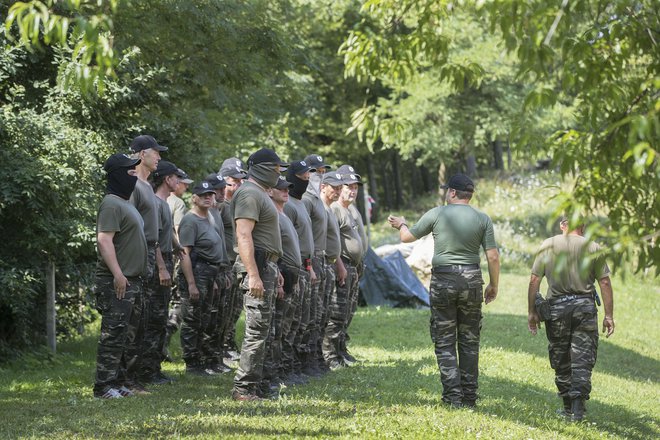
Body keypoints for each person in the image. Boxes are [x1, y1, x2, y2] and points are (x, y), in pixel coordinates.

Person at [388, 173, 499, 408]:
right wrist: (493, 285)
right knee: (469, 340)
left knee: (444, 340)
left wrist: (402, 224)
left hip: (444, 280)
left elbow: (407, 237)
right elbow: (493, 256)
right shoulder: (482, 219)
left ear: (452, 192)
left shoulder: (437, 213)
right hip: (471, 280)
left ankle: (452, 397)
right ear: (469, 195)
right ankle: (469, 397)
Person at [528, 217, 615, 421]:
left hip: (557, 309)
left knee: (561, 358)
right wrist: (609, 316)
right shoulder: (594, 247)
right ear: (583, 226)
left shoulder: (548, 245)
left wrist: (532, 311)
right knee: (582, 360)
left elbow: (534, 280)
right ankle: (577, 410)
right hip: (585, 308)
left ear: (562, 225)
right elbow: (605, 283)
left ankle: (568, 408)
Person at [231, 148, 287, 401]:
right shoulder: (249, 193)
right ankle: (244, 389)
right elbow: (243, 235)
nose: (278, 175)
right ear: (262, 168)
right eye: (276, 169)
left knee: (263, 330)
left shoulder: (259, 193)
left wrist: (273, 269)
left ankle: (257, 386)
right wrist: (254, 274)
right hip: (258, 268)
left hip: (266, 267)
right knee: (256, 331)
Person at [93, 153, 147, 399]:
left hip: (132, 280)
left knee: (126, 335)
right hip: (117, 281)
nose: (133, 174)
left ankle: (118, 382)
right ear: (116, 174)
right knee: (113, 335)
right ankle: (103, 387)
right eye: (129, 171)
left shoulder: (126, 203)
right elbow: (104, 240)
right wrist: (117, 274)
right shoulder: (111, 204)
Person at [126, 134, 169, 393]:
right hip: (138, 255)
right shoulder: (132, 185)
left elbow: (155, 237)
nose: (159, 157)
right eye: (156, 152)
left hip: (151, 253)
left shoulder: (146, 187)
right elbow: (129, 226)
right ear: (142, 154)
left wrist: (161, 263)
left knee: (145, 318)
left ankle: (137, 374)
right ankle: (127, 378)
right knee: (134, 319)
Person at [178, 181, 226, 375]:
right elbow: (185, 254)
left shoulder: (210, 218)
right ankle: (192, 363)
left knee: (205, 319)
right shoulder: (190, 220)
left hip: (208, 274)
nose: (208, 197)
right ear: (194, 198)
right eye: (203, 194)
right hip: (196, 272)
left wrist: (213, 278)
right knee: (192, 319)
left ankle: (202, 360)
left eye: (211, 194)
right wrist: (191, 284)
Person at [139, 160, 180, 385]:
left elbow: (166, 232)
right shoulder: (155, 203)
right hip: (158, 263)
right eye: (175, 177)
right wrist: (162, 267)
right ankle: (147, 370)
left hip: (166, 258)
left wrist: (176, 246)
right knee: (154, 318)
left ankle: (153, 367)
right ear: (167, 179)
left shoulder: (164, 204)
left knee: (161, 316)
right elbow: (153, 240)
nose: (178, 181)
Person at [265, 176, 300, 392]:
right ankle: (269, 375)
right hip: (281, 278)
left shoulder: (283, 214)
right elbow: (274, 252)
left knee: (284, 328)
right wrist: (278, 279)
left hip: (290, 277)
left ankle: (278, 371)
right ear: (270, 191)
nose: (285, 191)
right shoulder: (273, 218)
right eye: (281, 188)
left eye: (287, 188)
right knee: (275, 330)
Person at [283, 160, 317, 384]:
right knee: (288, 321)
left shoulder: (301, 203)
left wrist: (309, 266)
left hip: (305, 266)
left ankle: (295, 365)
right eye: (303, 177)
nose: (306, 181)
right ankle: (284, 368)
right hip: (292, 268)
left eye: (308, 177)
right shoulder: (288, 205)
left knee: (301, 321)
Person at [302, 154, 331, 376]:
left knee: (319, 313)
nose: (320, 176)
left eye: (322, 172)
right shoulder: (306, 199)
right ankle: (304, 361)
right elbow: (302, 235)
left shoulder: (316, 198)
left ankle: (315, 358)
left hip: (320, 259)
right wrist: (309, 264)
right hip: (308, 260)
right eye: (316, 172)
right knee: (308, 314)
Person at [335, 165, 367, 364]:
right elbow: (333, 241)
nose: (353, 191)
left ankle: (341, 348)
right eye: (349, 186)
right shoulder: (335, 209)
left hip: (355, 266)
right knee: (338, 311)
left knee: (348, 310)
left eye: (356, 187)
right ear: (340, 187)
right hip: (344, 265)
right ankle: (332, 353)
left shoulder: (351, 208)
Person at [218, 157, 248, 362]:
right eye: (233, 180)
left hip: (235, 262)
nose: (237, 184)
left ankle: (227, 343)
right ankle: (220, 347)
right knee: (222, 308)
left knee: (234, 308)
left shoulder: (236, 204)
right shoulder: (219, 205)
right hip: (224, 262)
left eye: (240, 181)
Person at [163, 167, 193, 362]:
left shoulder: (160, 199)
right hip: (172, 260)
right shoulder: (178, 204)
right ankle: (163, 341)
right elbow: (177, 232)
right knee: (179, 303)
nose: (185, 187)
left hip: (159, 258)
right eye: (183, 183)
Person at [320, 172, 348, 369]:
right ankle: (327, 356)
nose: (337, 191)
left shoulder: (329, 209)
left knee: (327, 312)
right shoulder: (320, 207)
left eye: (339, 187)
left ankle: (329, 355)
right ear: (323, 187)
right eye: (334, 187)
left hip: (330, 265)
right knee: (323, 314)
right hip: (320, 264)